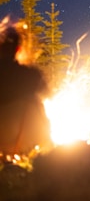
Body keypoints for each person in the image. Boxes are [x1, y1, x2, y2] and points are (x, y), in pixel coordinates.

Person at [0, 22, 52, 158]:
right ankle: (46, 152)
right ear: (18, 49)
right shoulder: (31, 74)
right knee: (35, 100)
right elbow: (48, 94)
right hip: (25, 142)